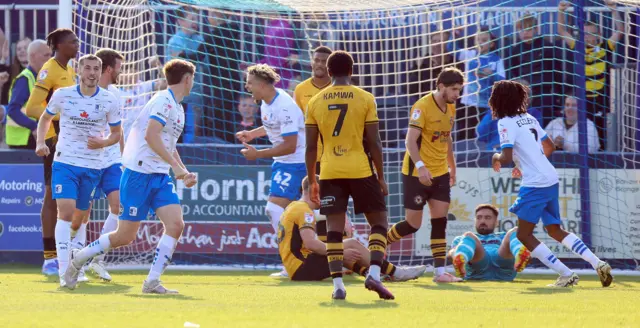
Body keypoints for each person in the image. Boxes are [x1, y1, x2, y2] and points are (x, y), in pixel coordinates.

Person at [63, 59, 198, 293]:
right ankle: (79, 257)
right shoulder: (162, 101)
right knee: (124, 236)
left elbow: (169, 143)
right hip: (138, 173)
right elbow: (151, 136)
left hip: (159, 176)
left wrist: (181, 169)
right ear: (187, 79)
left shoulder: (178, 108)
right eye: (192, 79)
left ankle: (152, 281)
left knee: (176, 225)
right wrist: (174, 167)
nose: (193, 83)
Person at [490, 80, 613, 287]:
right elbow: (549, 146)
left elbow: (506, 156)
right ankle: (598, 263)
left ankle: (566, 274)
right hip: (550, 177)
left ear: (499, 100)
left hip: (535, 183)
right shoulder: (527, 118)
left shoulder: (505, 122)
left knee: (523, 234)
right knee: (555, 230)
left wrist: (495, 157)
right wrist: (530, 163)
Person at [305, 50, 393, 300]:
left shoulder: (315, 101)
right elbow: (375, 141)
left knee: (333, 230)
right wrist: (381, 176)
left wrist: (313, 180)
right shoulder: (365, 98)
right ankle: (374, 273)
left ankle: (338, 287)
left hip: (330, 171)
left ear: (329, 72)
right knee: (379, 223)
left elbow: (311, 147)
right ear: (352, 71)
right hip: (361, 169)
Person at [34, 54, 121, 287]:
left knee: (79, 219)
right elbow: (44, 119)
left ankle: (77, 262)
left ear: (101, 71)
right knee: (66, 210)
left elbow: (116, 134)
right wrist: (40, 143)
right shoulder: (63, 95)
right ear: (79, 72)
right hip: (65, 162)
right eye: (88, 68)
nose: (92, 73)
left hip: (92, 166)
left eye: (96, 69)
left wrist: (103, 143)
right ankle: (64, 273)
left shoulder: (109, 100)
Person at [386, 67, 464, 283]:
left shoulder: (451, 107)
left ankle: (440, 273)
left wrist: (452, 167)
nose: (457, 94)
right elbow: (410, 140)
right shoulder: (422, 106)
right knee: (413, 224)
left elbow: (446, 138)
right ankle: (379, 245)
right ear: (441, 87)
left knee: (440, 221)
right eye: (454, 89)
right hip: (416, 173)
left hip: (439, 173)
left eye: (459, 90)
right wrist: (420, 166)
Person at [279, 175, 427, 282]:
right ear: (314, 191)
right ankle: (396, 272)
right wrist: (341, 254)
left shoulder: (292, 207)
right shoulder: (305, 211)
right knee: (350, 245)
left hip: (296, 267)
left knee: (344, 247)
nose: (325, 198)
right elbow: (311, 244)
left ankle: (374, 273)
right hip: (303, 267)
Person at [25, 28, 79, 276]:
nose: (77, 44)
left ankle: (64, 254)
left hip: (70, 138)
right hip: (53, 139)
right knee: (51, 196)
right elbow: (33, 107)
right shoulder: (50, 69)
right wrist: (60, 119)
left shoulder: (69, 68)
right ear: (58, 45)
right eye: (71, 41)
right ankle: (49, 258)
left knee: (67, 198)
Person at [237, 64, 306, 233]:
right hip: (284, 163)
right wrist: (253, 134)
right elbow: (273, 125)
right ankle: (303, 249)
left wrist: (257, 154)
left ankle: (290, 252)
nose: (247, 87)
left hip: (297, 163)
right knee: (296, 212)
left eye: (250, 83)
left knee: (274, 209)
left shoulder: (284, 105)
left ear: (261, 85)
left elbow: (290, 146)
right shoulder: (266, 101)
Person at [80, 48, 126, 282]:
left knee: (119, 206)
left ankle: (97, 260)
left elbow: (119, 129)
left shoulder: (116, 94)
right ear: (109, 69)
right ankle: (74, 262)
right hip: (87, 160)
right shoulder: (85, 93)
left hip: (111, 161)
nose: (121, 71)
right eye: (119, 67)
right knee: (82, 212)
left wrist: (123, 157)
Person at [557, 0, 624, 149]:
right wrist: (561, 11)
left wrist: (614, 10)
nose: (588, 37)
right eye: (585, 34)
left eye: (591, 34)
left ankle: (601, 160)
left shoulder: (605, 47)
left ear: (599, 34)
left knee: (601, 132)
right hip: (582, 99)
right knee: (582, 132)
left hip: (601, 99)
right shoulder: (577, 46)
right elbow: (562, 31)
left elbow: (620, 31)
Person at [293, 46, 332, 241]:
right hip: (310, 158)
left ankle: (332, 254)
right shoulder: (301, 89)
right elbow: (295, 123)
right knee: (310, 205)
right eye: (316, 60)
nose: (318, 64)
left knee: (331, 206)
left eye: (324, 61)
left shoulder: (339, 89)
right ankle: (308, 253)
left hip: (334, 158)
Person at [505, 14, 564, 126]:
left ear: (536, 29)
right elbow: (513, 73)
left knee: (543, 127)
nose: (525, 33)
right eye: (521, 30)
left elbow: (557, 72)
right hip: (523, 97)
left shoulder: (547, 47)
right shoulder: (516, 50)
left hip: (544, 95)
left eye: (528, 29)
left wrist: (559, 95)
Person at [449, 204, 531, 281]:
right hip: (478, 264)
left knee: (515, 231)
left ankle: (519, 255)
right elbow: (450, 253)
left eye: (487, 218)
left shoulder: (504, 236)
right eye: (479, 217)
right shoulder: (463, 239)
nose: (482, 221)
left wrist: (526, 256)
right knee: (469, 236)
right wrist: (454, 254)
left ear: (496, 222)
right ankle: (461, 258)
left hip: (503, 262)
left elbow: (529, 258)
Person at [456, 26, 505, 140]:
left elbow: (502, 82)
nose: (480, 42)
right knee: (465, 135)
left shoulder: (496, 60)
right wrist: (456, 33)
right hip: (468, 104)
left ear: (492, 44)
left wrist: (491, 75)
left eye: (484, 40)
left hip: (486, 105)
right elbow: (450, 48)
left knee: (481, 135)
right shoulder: (470, 55)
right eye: (478, 39)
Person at [4, 40, 51, 149]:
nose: (49, 59)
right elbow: (12, 110)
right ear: (33, 56)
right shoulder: (24, 79)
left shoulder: (39, 77)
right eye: (46, 55)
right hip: (23, 141)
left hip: (32, 139)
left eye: (50, 55)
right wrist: (34, 127)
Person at [476, 79, 543, 150]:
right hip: (494, 154)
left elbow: (536, 139)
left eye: (529, 94)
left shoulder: (534, 113)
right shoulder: (495, 112)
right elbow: (480, 136)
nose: (527, 98)